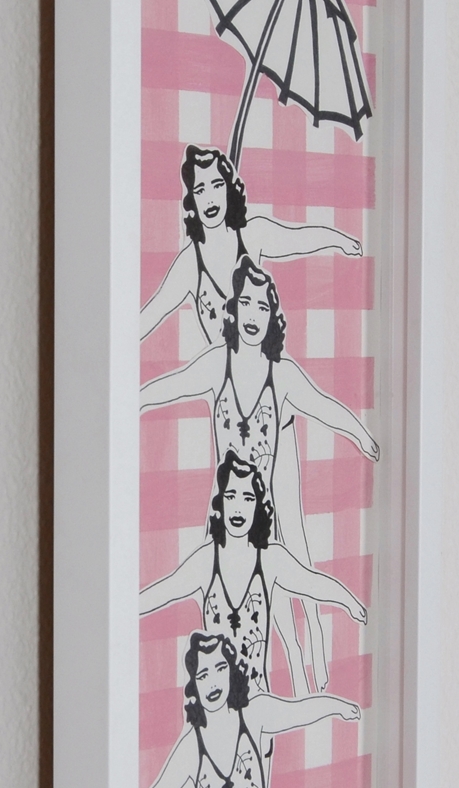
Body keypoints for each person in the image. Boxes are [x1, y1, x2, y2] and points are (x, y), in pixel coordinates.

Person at [141, 255, 378, 694]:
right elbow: (170, 385)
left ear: (273, 317)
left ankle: (303, 666)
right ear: (233, 310)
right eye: (246, 303)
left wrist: (361, 435)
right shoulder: (216, 364)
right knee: (229, 615)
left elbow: (324, 406)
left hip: (261, 515)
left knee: (280, 592)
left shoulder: (281, 375)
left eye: (263, 306)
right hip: (228, 513)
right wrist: (129, 399)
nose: (253, 314)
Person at [140, 452, 366, 696]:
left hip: (258, 703)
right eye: (231, 496)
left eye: (248, 498)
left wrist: (349, 601)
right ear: (220, 502)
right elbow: (163, 592)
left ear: (258, 506)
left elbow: (312, 583)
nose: (238, 507)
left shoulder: (270, 558)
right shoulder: (205, 559)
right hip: (216, 708)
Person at [140, 145, 362, 345]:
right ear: (192, 200)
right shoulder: (189, 263)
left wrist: (340, 241)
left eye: (217, 185)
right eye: (200, 190)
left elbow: (299, 239)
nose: (210, 198)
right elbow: (151, 315)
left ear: (229, 190)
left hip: (265, 365)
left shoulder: (252, 233)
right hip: (222, 373)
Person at [150, 632, 360, 788]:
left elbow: (298, 711)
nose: (213, 683)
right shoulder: (191, 746)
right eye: (203, 675)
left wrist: (338, 707)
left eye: (220, 669)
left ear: (231, 673)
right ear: (194, 685)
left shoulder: (253, 714)